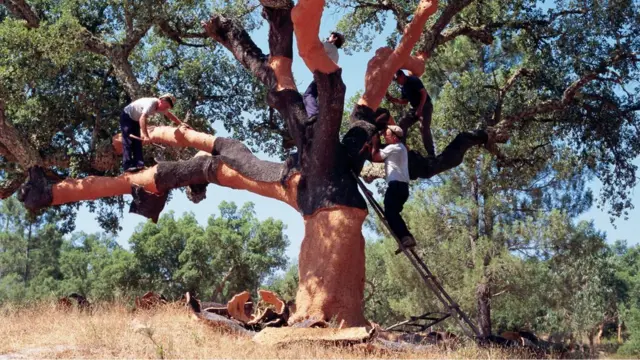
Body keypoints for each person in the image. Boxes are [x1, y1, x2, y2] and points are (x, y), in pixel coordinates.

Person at [370, 125, 417, 251]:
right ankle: (405, 237)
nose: (385, 137)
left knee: (390, 213)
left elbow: (375, 157)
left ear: (395, 137)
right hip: (402, 187)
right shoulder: (400, 148)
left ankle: (406, 237)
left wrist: (375, 143)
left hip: (396, 185)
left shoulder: (394, 147)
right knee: (392, 213)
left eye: (387, 135)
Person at [120, 93, 184, 172]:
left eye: (168, 107)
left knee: (138, 142)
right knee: (128, 141)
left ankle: (139, 164)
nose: (166, 108)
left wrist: (180, 123)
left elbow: (169, 115)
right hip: (127, 116)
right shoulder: (151, 103)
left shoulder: (161, 107)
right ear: (161, 100)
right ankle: (127, 166)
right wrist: (146, 136)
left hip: (135, 119)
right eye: (166, 106)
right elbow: (142, 118)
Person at [385, 70, 435, 157]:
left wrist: (420, 108)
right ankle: (402, 148)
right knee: (402, 123)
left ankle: (431, 153)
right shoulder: (404, 87)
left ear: (401, 76)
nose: (396, 82)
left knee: (423, 127)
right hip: (414, 108)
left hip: (425, 105)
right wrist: (393, 99)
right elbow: (405, 101)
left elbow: (424, 93)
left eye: (396, 80)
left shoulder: (413, 80)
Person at [303, 32, 345, 118]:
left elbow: (316, 48)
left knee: (308, 95)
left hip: (323, 75)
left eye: (330, 36)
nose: (328, 38)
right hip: (330, 78)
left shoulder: (330, 46)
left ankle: (313, 114)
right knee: (318, 98)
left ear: (335, 38)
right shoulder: (336, 52)